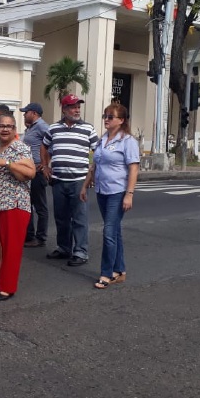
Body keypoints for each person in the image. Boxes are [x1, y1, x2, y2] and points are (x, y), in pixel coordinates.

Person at [80, 103, 139, 289]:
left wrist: (129, 194)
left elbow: (133, 168)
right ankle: (120, 270)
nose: (106, 119)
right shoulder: (102, 140)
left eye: (110, 117)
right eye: (105, 116)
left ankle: (107, 273)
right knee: (114, 231)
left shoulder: (128, 141)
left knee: (108, 232)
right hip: (102, 191)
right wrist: (85, 185)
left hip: (118, 191)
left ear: (121, 121)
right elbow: (95, 165)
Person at [0, 114, 36, 301]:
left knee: (11, 247)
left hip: (14, 204)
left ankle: (7, 286)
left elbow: (31, 172)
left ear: (14, 129)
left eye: (9, 126)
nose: (4, 129)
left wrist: (8, 163)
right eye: (1, 126)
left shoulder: (20, 148)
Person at [41, 94, 99, 267]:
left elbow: (97, 152)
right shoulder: (53, 129)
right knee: (61, 217)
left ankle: (80, 251)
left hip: (79, 181)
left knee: (79, 218)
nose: (77, 110)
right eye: (73, 107)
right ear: (64, 109)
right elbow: (44, 146)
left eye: (78, 107)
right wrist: (45, 166)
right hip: (58, 180)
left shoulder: (88, 129)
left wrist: (92, 174)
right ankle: (64, 247)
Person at [20, 102, 49, 248]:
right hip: (29, 170)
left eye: (26, 112)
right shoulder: (31, 128)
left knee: (40, 206)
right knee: (28, 204)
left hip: (37, 172)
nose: (24, 115)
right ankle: (29, 235)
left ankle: (41, 237)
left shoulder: (42, 126)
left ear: (34, 113)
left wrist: (45, 164)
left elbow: (53, 143)